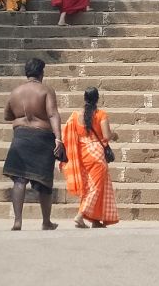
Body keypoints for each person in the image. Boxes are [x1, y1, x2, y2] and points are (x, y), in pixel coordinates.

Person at [2, 58, 64, 231]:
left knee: (19, 180)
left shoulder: (15, 92)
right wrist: (58, 138)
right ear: (41, 73)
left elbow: (7, 115)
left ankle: (17, 220)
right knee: (44, 183)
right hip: (42, 137)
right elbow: (52, 114)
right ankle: (46, 221)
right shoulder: (46, 90)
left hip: (20, 136)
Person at [61, 87, 119, 229]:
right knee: (96, 188)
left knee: (90, 187)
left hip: (81, 154)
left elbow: (67, 135)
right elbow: (106, 136)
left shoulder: (75, 116)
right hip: (97, 155)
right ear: (97, 99)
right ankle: (80, 216)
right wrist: (114, 135)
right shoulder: (101, 114)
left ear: (84, 98)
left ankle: (95, 220)